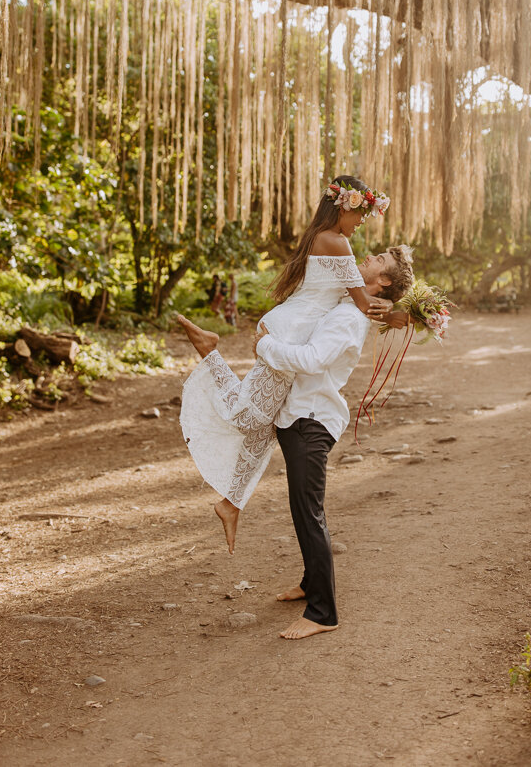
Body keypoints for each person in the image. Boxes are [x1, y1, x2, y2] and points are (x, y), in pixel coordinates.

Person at [177, 175, 392, 554]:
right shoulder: (336, 241)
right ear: (344, 205)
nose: (363, 222)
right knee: (247, 418)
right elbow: (364, 304)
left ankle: (231, 503)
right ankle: (209, 350)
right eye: (361, 213)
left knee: (266, 428)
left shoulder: (327, 237)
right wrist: (406, 314)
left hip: (294, 332)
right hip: (290, 337)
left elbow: (354, 298)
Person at [255, 249, 414, 640]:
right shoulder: (350, 303)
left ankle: (323, 613)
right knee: (302, 509)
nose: (366, 257)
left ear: (385, 282)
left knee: (310, 514)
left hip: (311, 420)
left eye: (377, 259)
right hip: (300, 416)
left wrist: (264, 346)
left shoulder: (347, 317)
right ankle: (311, 584)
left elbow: (312, 359)